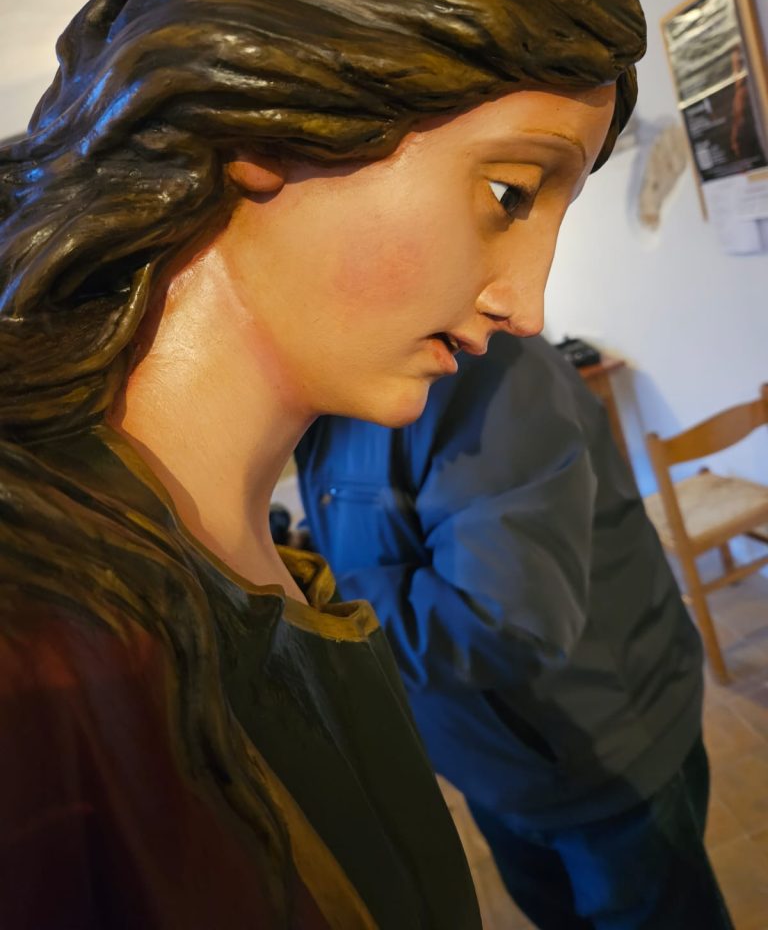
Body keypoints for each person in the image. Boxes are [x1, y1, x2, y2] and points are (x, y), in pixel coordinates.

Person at [0, 0, 644, 926]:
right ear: (269, 125)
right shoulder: (39, 653)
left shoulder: (267, 525)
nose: (526, 303)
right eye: (510, 192)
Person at [296, 333, 734, 930]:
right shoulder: (335, 398)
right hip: (495, 762)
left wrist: (312, 596)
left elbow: (503, 621)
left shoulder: (486, 374)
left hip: (604, 760)